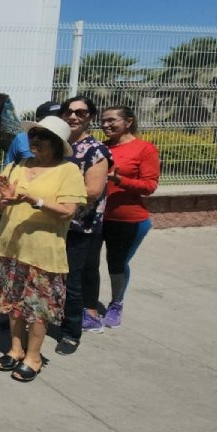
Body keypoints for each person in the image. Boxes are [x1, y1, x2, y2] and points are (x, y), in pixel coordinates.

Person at [0, 116, 85, 382]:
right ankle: (16, 349)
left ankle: (34, 356)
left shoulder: (68, 171)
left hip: (43, 252)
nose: (36, 141)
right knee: (12, 303)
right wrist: (3, 199)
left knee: (37, 308)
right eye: (34, 136)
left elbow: (68, 212)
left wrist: (36, 200)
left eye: (42, 137)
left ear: (57, 144)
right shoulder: (16, 165)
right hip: (11, 246)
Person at [56, 96, 112, 355]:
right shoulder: (57, 146)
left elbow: (92, 191)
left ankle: (70, 332)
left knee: (71, 281)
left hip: (79, 226)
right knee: (44, 276)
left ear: (90, 116)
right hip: (50, 221)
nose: (73, 117)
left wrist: (57, 189)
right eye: (68, 111)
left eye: (81, 112)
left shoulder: (96, 151)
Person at [100, 106, 160, 328]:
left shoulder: (145, 149)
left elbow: (149, 186)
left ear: (128, 122)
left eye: (111, 120)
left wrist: (119, 180)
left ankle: (116, 303)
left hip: (128, 220)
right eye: (103, 121)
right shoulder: (101, 148)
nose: (105, 125)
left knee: (116, 262)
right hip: (97, 218)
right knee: (85, 263)